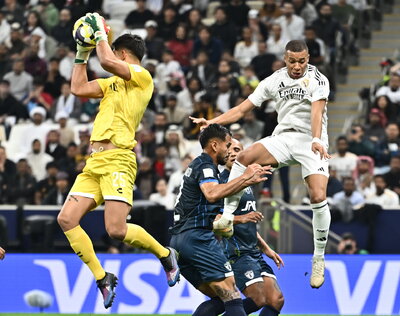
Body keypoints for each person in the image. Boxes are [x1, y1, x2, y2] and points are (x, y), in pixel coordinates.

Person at [56, 13, 180, 310]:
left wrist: (99, 34)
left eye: (114, 50)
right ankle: (102, 278)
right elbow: (78, 88)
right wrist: (82, 53)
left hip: (119, 160)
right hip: (94, 162)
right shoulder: (112, 83)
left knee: (116, 230)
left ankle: (165, 254)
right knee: (66, 219)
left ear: (123, 53)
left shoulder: (142, 76)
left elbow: (109, 61)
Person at [191, 40, 331, 289]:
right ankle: (228, 216)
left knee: (318, 196)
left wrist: (317, 139)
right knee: (243, 159)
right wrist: (212, 122)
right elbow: (242, 108)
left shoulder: (318, 80)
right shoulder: (274, 80)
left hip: (311, 140)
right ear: (284, 58)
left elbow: (316, 113)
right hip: (284, 137)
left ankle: (318, 258)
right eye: (292, 61)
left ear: (308, 58)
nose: (297, 66)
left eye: (302, 61)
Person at [170, 124, 271, 316]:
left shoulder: (202, 166)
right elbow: (212, 194)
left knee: (220, 299)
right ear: (215, 145)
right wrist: (246, 178)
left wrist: (246, 181)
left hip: (179, 241)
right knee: (232, 297)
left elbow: (212, 213)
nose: (229, 150)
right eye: (227, 145)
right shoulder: (205, 165)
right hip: (197, 238)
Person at [217, 138, 285, 316]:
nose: (233, 152)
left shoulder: (247, 183)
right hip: (236, 252)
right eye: (229, 148)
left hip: (254, 251)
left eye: (238, 149)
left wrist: (266, 248)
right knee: (258, 299)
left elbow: (250, 224)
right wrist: (242, 218)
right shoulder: (220, 183)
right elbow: (215, 219)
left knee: (276, 300)